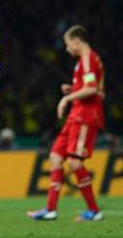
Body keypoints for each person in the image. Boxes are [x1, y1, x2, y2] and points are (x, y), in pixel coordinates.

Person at [27, 25, 105, 222]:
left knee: (75, 161)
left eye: (68, 44)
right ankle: (50, 209)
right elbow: (88, 86)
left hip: (86, 116)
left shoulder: (87, 57)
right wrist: (73, 90)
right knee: (55, 156)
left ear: (77, 42)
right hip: (76, 114)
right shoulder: (84, 60)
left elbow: (93, 89)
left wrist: (66, 99)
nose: (67, 48)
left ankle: (94, 211)